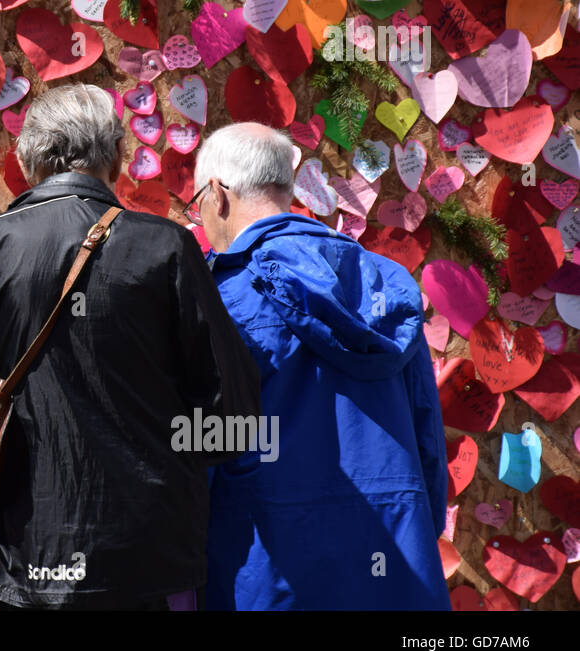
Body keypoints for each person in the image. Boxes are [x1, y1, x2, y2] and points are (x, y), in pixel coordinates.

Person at [0, 84, 262, 609]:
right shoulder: (167, 247)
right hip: (149, 560)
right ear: (115, 156)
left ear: (27, 160)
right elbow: (232, 418)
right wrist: (159, 458)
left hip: (30, 553)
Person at [190, 122, 449, 610]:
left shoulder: (222, 295)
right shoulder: (385, 285)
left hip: (268, 561)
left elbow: (207, 444)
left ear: (219, 195)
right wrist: (418, 523)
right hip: (393, 558)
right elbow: (426, 436)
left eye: (197, 202)